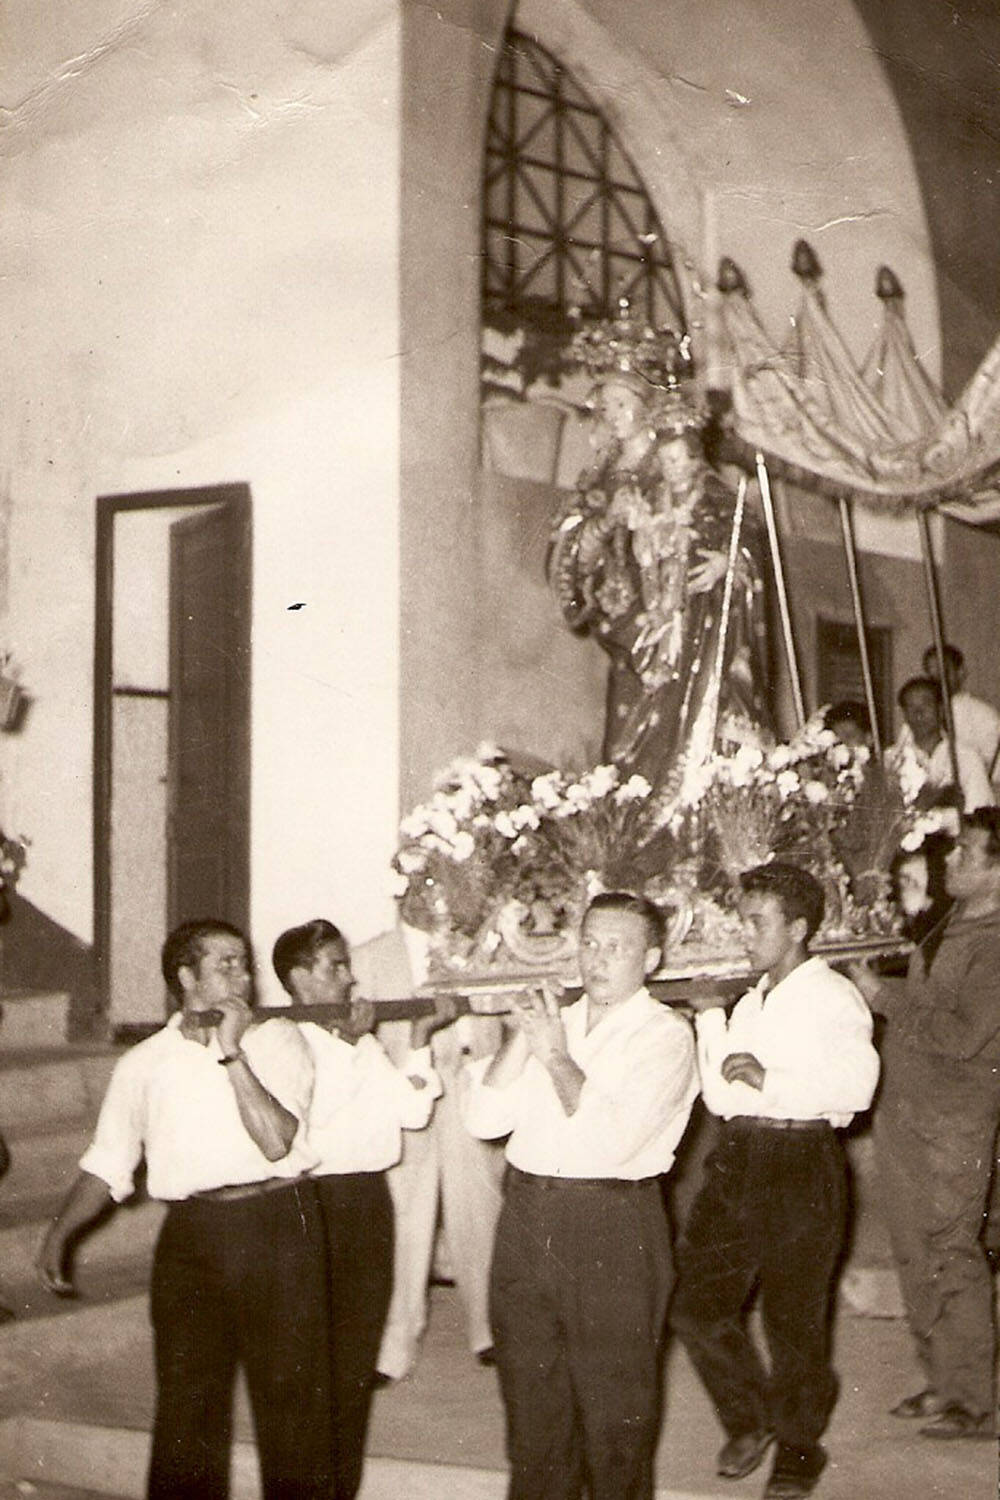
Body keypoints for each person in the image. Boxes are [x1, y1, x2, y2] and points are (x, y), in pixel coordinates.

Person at [35, 919, 332, 1500]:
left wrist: (232, 1054)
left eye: (244, 963)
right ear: (185, 976)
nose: (243, 976)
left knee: (295, 1413)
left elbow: (276, 1141)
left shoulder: (279, 1040)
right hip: (193, 1239)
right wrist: (58, 1235)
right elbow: (108, 1160)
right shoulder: (143, 1063)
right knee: (185, 1412)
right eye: (226, 965)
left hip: (279, 1227)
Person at [462, 891, 698, 1500]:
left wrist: (555, 1056)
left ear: (650, 959)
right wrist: (522, 1036)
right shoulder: (554, 1022)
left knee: (615, 1415)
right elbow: (484, 1119)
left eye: (615, 948)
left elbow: (612, 1139)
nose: (596, 959)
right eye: (589, 943)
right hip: (527, 1218)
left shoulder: (664, 1036)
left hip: (610, 1223)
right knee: (533, 1411)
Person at [671, 863, 879, 1500]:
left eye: (756, 922)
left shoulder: (832, 998)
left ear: (798, 928)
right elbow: (721, 1094)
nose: (744, 934)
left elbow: (857, 1090)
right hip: (739, 1155)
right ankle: (752, 1417)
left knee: (793, 1321)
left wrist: (771, 1080)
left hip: (801, 1160)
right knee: (695, 1306)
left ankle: (798, 1448)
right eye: (743, 920)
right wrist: (710, 1019)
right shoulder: (754, 998)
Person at [547, 330, 770, 808]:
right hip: (630, 631)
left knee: (680, 729)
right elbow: (570, 555)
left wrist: (732, 564)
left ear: (647, 405)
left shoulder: (680, 466)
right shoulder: (598, 477)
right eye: (603, 407)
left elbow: (731, 528)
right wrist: (608, 522)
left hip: (683, 625)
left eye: (621, 404)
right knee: (628, 745)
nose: (611, 417)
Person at [272, 918, 453, 1500]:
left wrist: (421, 1037)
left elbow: (412, 1111)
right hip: (314, 1203)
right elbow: (307, 1128)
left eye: (347, 963)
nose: (350, 977)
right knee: (311, 1361)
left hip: (368, 1202)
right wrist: (351, 1045)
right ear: (300, 978)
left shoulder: (361, 1039)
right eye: (335, 966)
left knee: (353, 1361)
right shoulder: (280, 1039)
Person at [851, 808, 1000, 1439]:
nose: (951, 860)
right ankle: (943, 1382)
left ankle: (976, 1400)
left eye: (967, 851)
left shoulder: (995, 942)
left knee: (949, 1251)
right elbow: (927, 1000)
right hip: (908, 1107)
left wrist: (878, 996)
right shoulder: (955, 919)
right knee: (914, 1251)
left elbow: (963, 1036)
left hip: (953, 1121)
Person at [351, 883, 506, 1381]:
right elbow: (359, 1039)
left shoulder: (481, 947)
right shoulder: (371, 956)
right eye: (422, 885)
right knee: (403, 1218)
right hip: (409, 1089)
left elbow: (506, 1017)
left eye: (443, 882)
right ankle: (395, 1344)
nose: (433, 898)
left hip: (469, 1082)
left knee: (481, 1208)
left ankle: (490, 1330)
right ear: (402, 893)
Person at [887, 675, 993, 812]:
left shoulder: (966, 759)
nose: (919, 713)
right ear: (904, 714)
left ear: (941, 710)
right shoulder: (891, 760)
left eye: (926, 704)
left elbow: (980, 815)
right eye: (911, 706)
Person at [922, 643, 1000, 784]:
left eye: (944, 672)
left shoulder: (984, 716)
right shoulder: (920, 716)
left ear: (961, 672)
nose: (937, 680)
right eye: (932, 675)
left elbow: (997, 772)